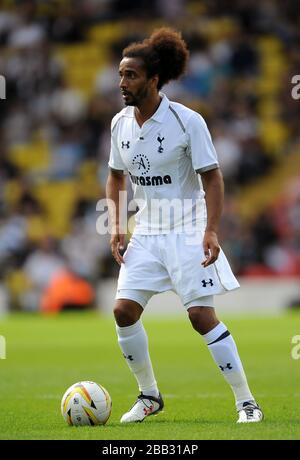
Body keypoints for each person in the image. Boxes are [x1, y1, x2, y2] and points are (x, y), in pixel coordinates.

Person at [106, 28, 263, 424]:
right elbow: (114, 176)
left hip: (187, 229)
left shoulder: (186, 121)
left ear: (153, 80)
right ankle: (149, 396)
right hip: (147, 231)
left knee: (200, 317)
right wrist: (116, 224)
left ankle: (246, 402)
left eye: (131, 75)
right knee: (123, 311)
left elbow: (212, 177)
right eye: (121, 74)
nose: (122, 82)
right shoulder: (119, 124)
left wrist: (210, 231)